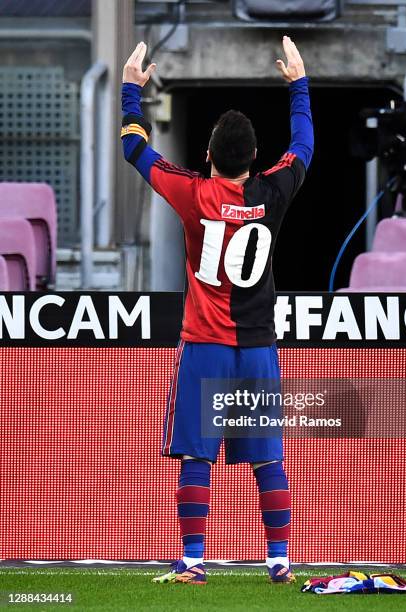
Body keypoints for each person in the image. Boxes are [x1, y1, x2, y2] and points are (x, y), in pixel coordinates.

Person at [121, 36, 314, 585]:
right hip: (257, 350)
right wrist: (298, 86)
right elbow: (304, 145)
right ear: (255, 159)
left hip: (204, 345)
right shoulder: (275, 191)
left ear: (208, 156)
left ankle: (193, 561)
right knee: (267, 459)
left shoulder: (191, 194)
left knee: (196, 457)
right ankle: (279, 562)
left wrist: (132, 92)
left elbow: (135, 149)